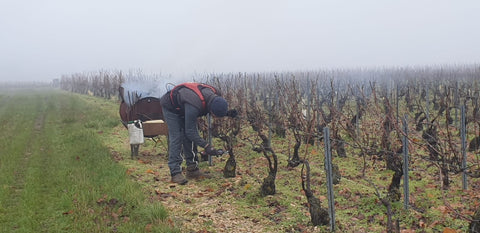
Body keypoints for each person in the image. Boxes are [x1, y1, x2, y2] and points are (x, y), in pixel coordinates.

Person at [160, 82, 234, 184]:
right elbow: (190, 131)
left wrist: (227, 113)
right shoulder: (194, 104)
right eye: (214, 115)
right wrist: (206, 146)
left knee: (188, 139)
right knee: (177, 137)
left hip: (185, 105)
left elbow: (215, 106)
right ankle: (175, 173)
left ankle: (192, 170)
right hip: (172, 108)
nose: (215, 118)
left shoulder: (216, 94)